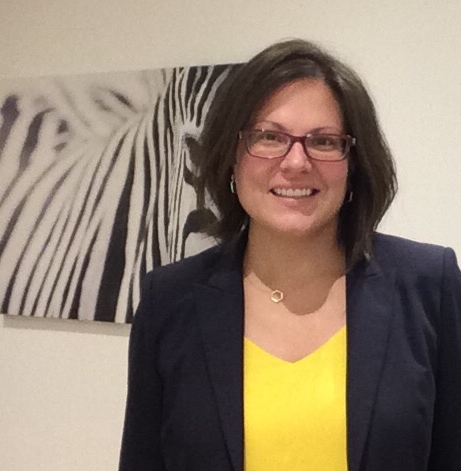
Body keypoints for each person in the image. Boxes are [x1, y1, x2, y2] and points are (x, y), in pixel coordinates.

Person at [119, 39, 461, 471]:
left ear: (353, 162)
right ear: (231, 158)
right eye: (269, 137)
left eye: (324, 141)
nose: (296, 162)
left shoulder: (429, 284)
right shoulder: (169, 299)